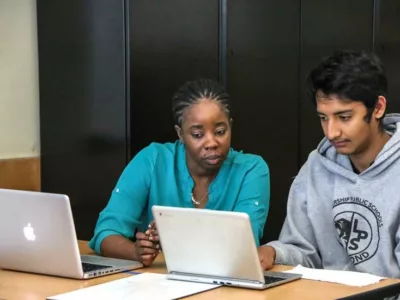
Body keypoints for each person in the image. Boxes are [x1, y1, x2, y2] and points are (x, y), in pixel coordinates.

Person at [89, 78, 270, 266]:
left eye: (220, 131)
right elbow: (105, 234)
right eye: (198, 135)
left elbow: (244, 247)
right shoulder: (152, 160)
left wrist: (177, 234)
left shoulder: (251, 170)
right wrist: (136, 252)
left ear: (230, 127)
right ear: (180, 134)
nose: (211, 143)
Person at [258, 49, 400, 278]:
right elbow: (303, 253)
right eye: (324, 118)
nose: (331, 132)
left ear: (378, 108)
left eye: (344, 117)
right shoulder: (316, 166)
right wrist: (274, 253)